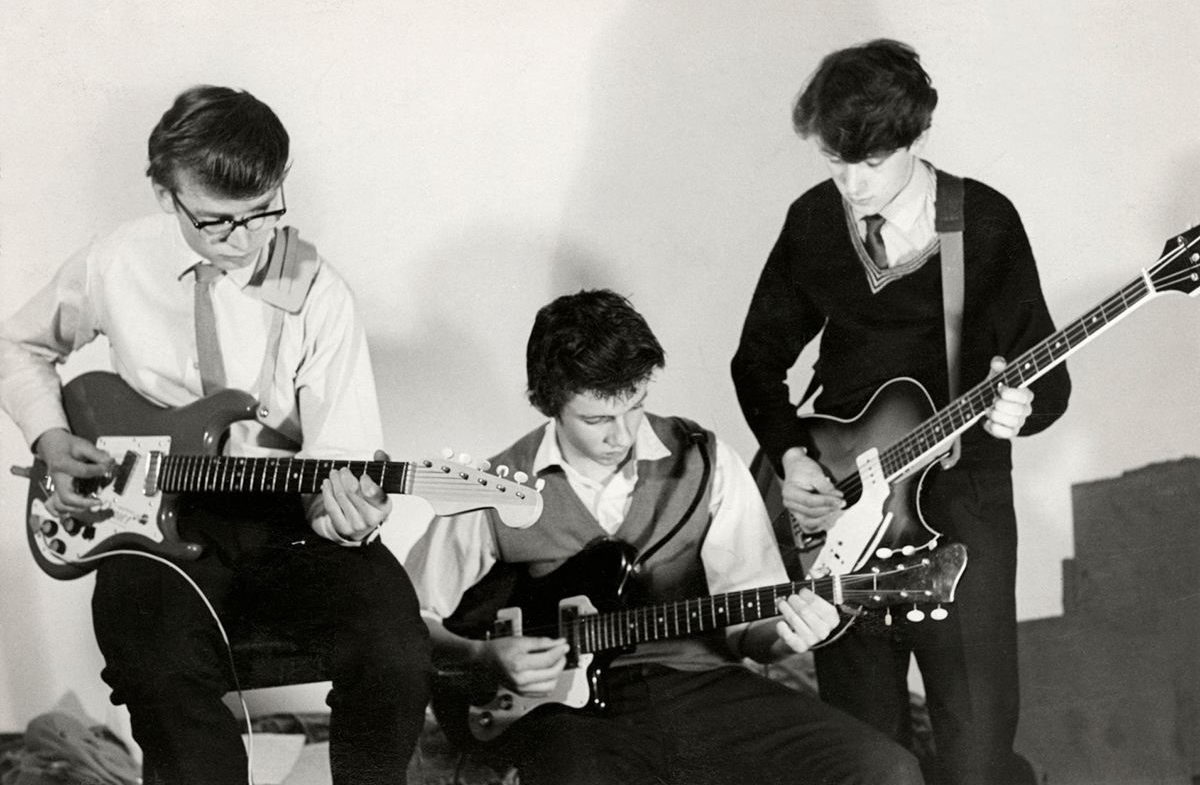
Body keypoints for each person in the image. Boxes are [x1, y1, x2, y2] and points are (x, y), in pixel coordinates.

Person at [0, 85, 430, 784]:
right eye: (217, 223)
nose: (247, 241)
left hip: (289, 512)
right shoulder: (116, 261)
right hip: (150, 510)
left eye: (263, 213)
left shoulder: (316, 289)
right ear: (167, 196)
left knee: (397, 653)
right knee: (157, 668)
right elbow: (17, 347)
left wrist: (343, 515)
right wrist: (49, 436)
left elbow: (340, 458)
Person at [407, 289, 923, 785]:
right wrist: (481, 658)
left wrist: (787, 635)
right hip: (572, 720)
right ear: (547, 403)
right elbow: (409, 618)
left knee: (886, 771)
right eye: (596, 418)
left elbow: (752, 629)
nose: (622, 435)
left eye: (634, 405)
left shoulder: (705, 458)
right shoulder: (497, 485)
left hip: (704, 689)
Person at [730, 39, 1072, 784]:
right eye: (833, 162)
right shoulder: (815, 221)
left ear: (915, 137)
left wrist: (1023, 405)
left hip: (963, 503)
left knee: (976, 752)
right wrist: (791, 459)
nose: (851, 184)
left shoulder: (982, 222)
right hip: (847, 507)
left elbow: (1052, 380)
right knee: (864, 751)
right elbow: (755, 361)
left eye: (871, 163)